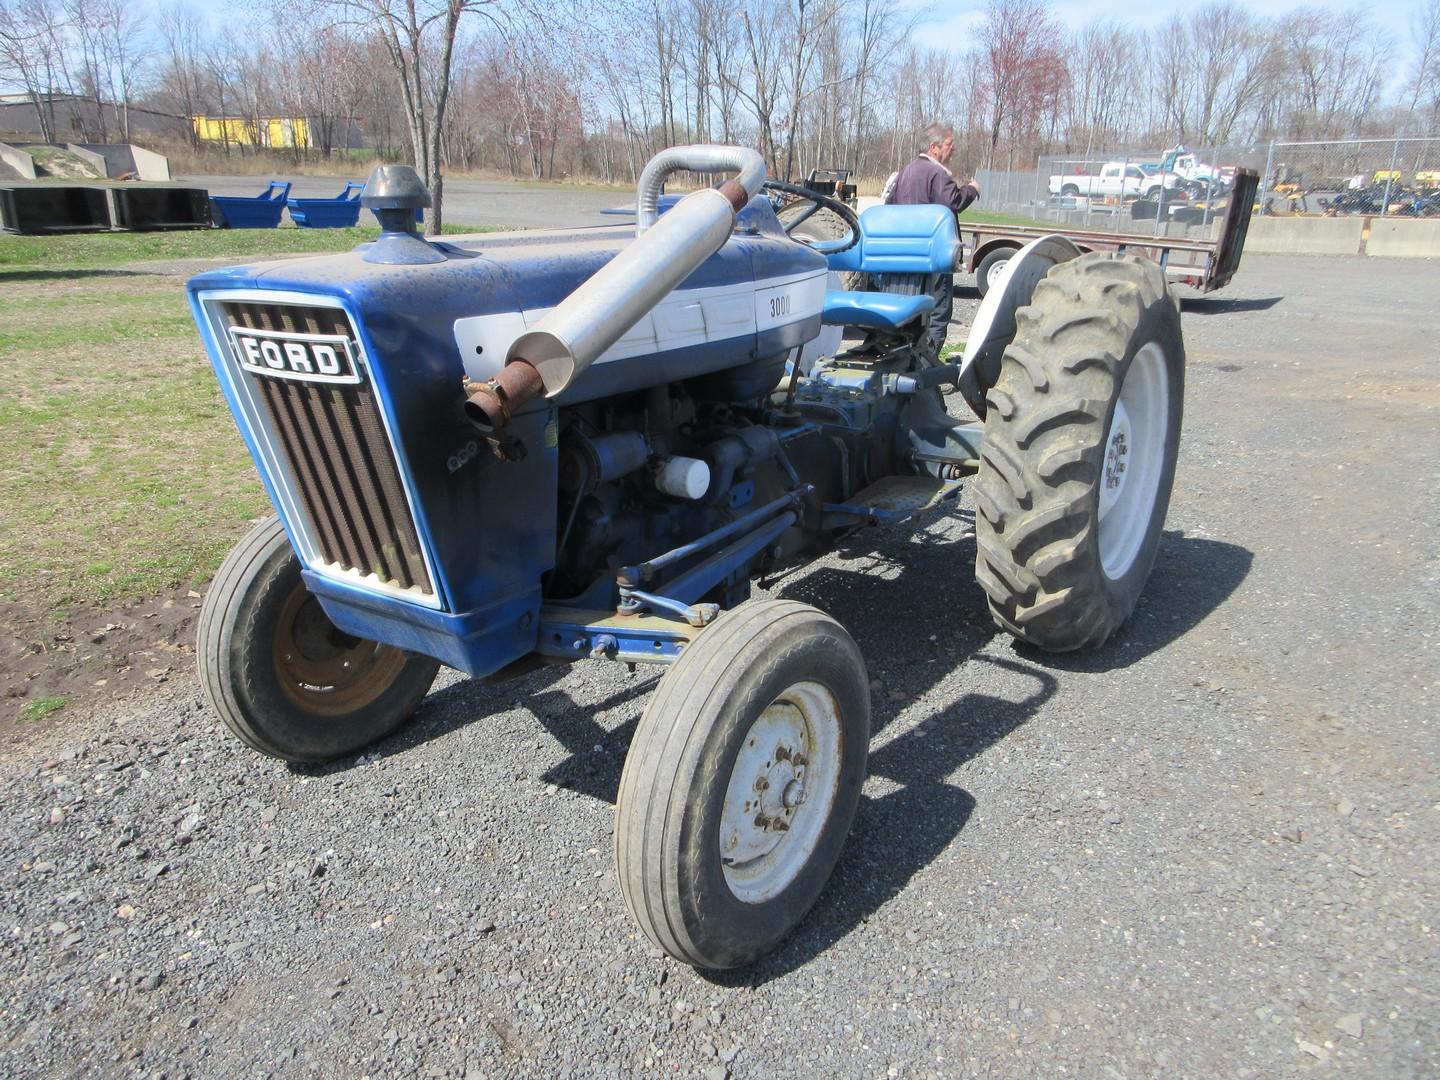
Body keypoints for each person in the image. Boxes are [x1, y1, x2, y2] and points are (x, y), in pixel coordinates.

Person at [882, 123, 981, 360]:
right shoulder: (936, 174)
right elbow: (953, 202)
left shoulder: (905, 171)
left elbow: (890, 206)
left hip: (909, 254)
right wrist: (972, 189)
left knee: (912, 308)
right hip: (934, 253)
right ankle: (928, 364)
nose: (953, 150)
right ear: (934, 147)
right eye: (950, 145)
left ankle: (904, 360)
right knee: (938, 310)